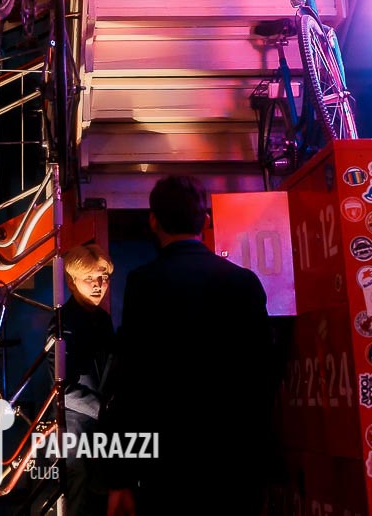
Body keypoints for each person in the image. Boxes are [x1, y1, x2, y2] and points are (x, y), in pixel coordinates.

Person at [101, 175, 276, 516]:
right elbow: (263, 373)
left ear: (153, 221)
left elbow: (131, 381)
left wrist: (120, 476)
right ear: (205, 221)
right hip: (235, 458)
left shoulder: (144, 283)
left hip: (169, 462)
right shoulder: (242, 281)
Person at [55, 243, 116, 516]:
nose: (98, 285)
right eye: (89, 278)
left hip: (98, 425)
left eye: (103, 277)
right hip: (75, 426)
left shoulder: (101, 319)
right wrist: (105, 408)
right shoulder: (63, 322)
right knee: (79, 499)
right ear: (71, 282)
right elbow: (63, 387)